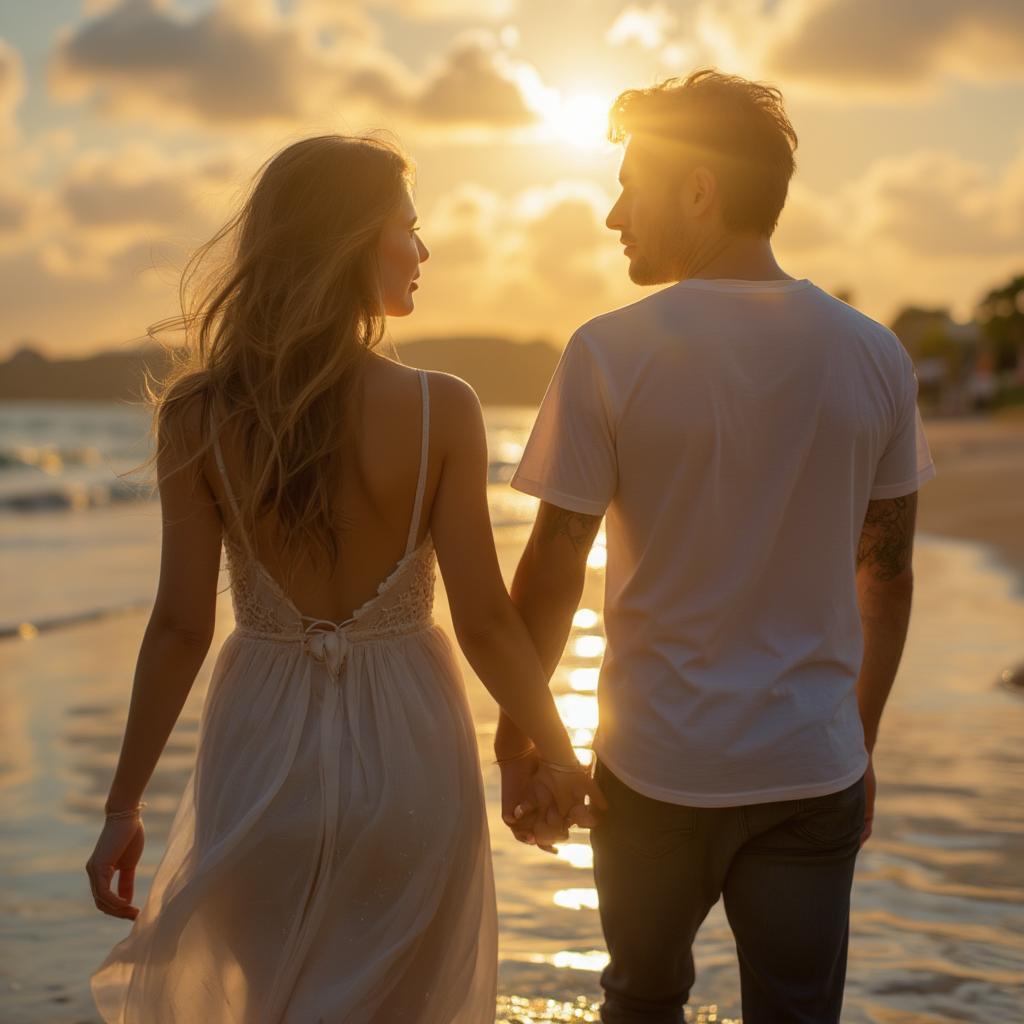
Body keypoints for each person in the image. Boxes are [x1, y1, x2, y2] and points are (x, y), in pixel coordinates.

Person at [85, 133, 605, 1023]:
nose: (424, 249)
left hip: (261, 751)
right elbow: (483, 619)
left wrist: (122, 808)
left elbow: (179, 628)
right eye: (409, 225)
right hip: (408, 752)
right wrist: (554, 751)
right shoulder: (445, 408)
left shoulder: (200, 412)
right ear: (355, 240)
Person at [496, 70, 936, 1023]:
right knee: (797, 1012)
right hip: (809, 767)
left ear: (699, 188)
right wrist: (854, 742)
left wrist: (524, 736)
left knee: (641, 1003)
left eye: (631, 187)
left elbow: (554, 568)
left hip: (654, 770)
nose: (616, 215)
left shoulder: (608, 351)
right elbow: (887, 572)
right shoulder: (874, 354)